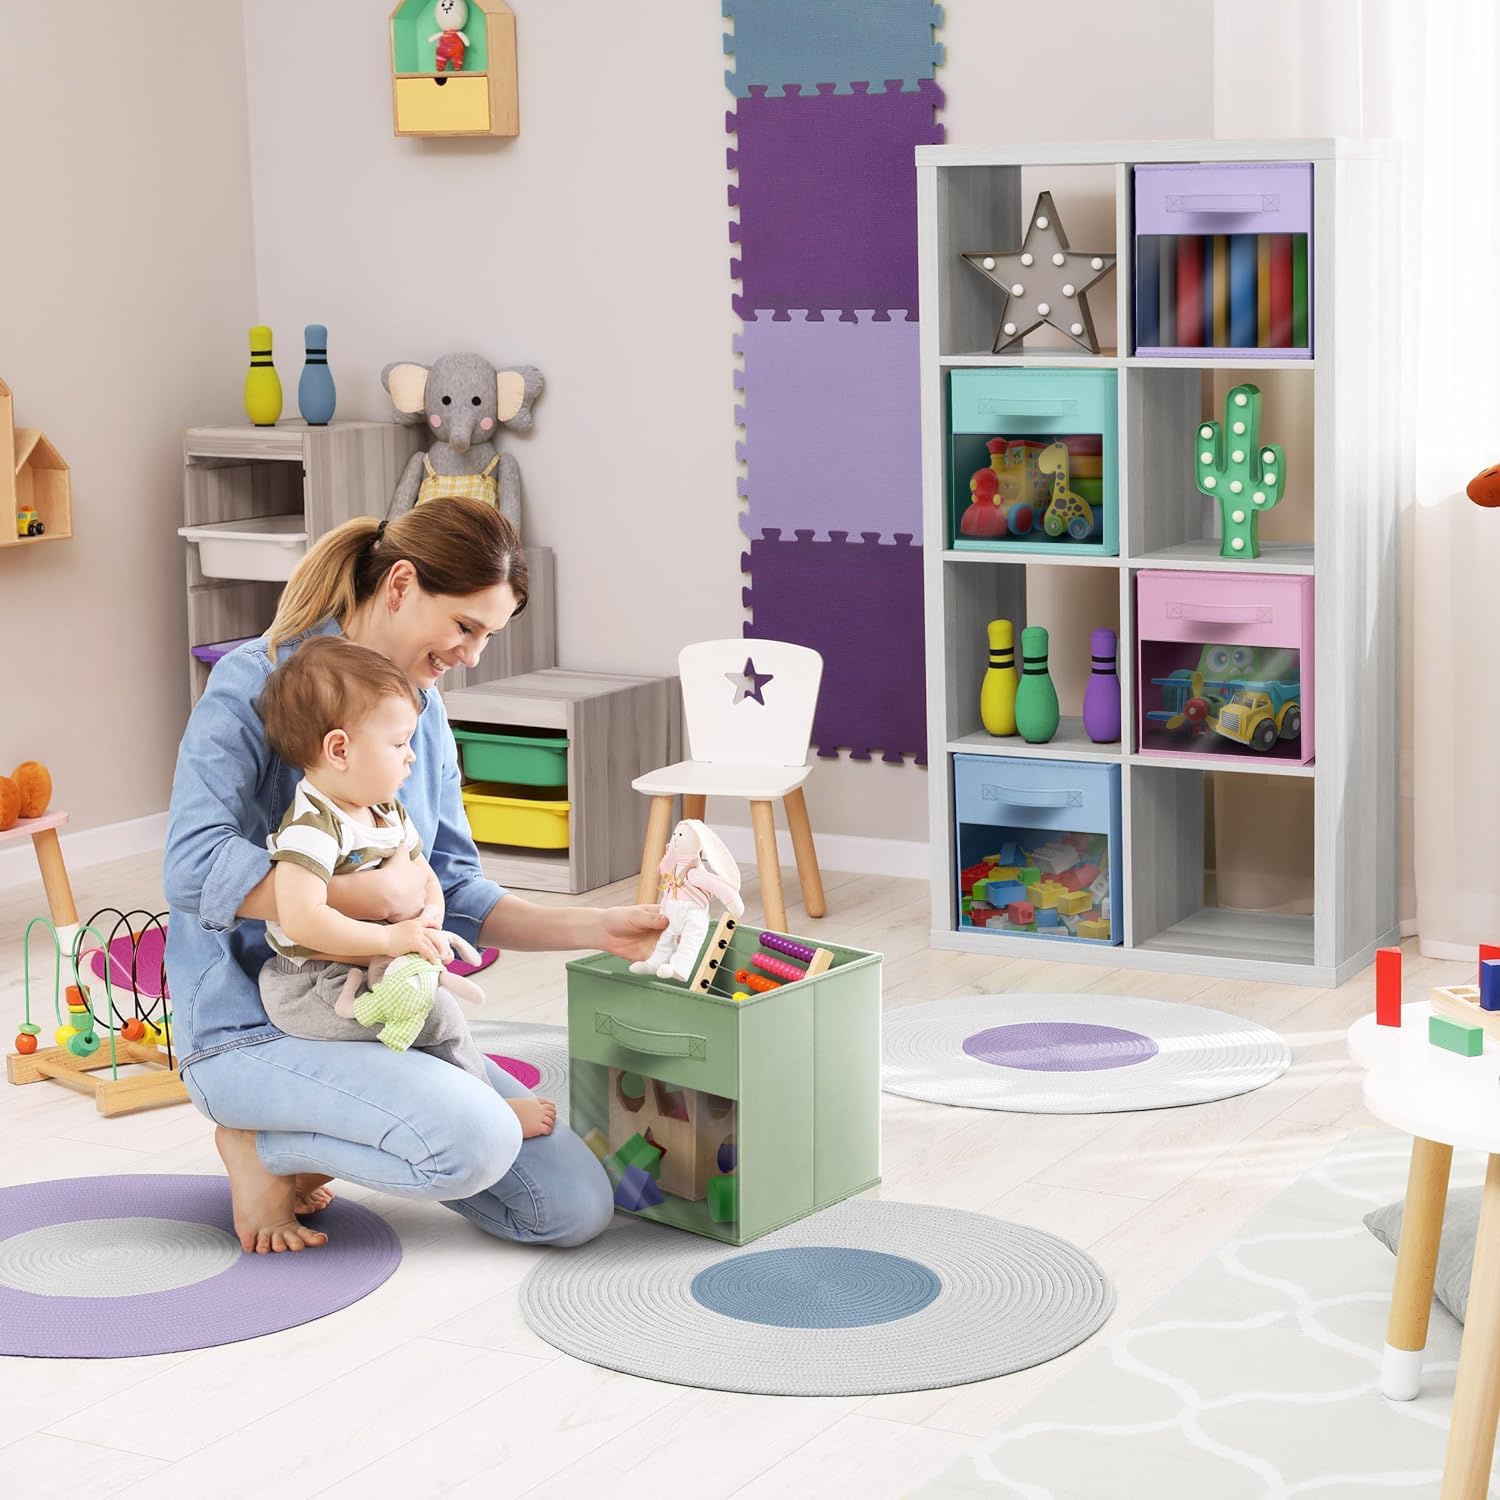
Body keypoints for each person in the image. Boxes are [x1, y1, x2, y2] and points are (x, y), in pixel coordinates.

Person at [164, 496, 666, 1254]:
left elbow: (457, 889)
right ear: (400, 584)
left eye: (488, 635)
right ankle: (261, 1145)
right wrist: (357, 895)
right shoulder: (257, 682)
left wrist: (600, 929)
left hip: (375, 1011)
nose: (473, 655)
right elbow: (190, 864)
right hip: (257, 1025)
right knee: (476, 1142)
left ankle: (319, 1137)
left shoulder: (418, 712)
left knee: (570, 1209)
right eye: (465, 626)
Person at [253, 634, 530, 1102]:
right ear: (339, 750)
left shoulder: (385, 810)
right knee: (438, 1015)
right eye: (399, 742)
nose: (411, 755)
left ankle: (464, 1099)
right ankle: (489, 1106)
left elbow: (423, 874)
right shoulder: (312, 827)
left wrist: (430, 915)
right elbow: (300, 918)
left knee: (433, 1012)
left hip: (374, 967)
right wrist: (388, 939)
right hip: (313, 984)